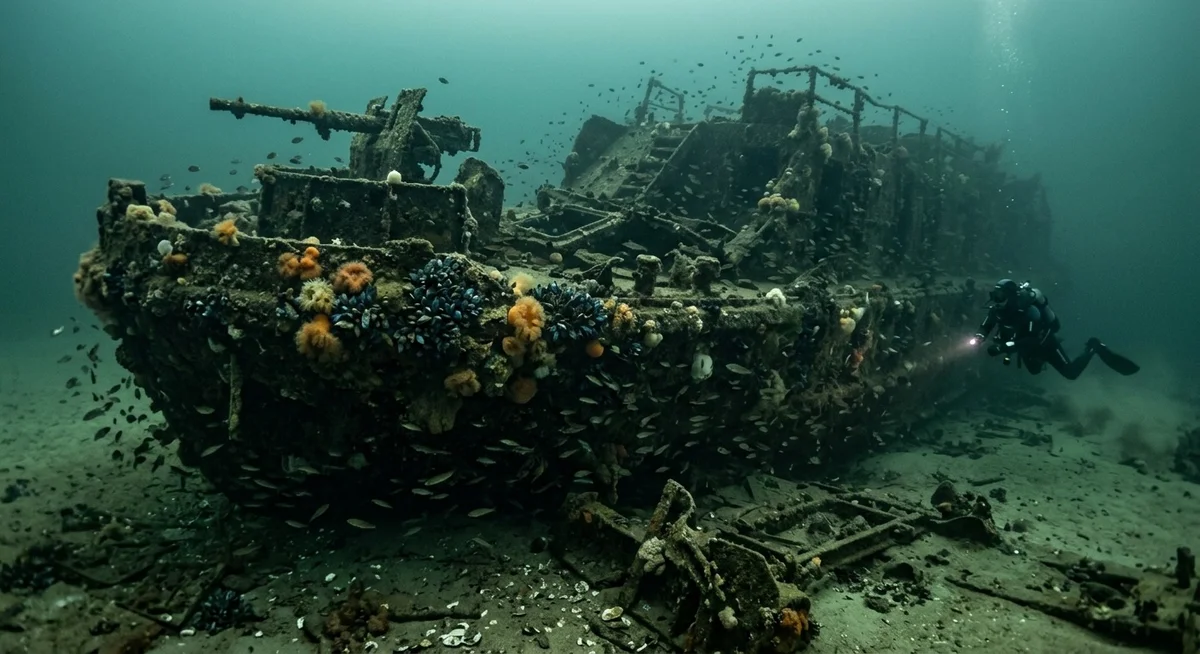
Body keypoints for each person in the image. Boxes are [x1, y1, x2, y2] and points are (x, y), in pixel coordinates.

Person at [973, 279, 1139, 379]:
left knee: (1071, 373)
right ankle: (1048, 358)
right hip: (1023, 348)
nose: (996, 299)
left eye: (1000, 295)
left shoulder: (1028, 311)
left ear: (1009, 296)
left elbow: (1033, 339)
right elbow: (987, 325)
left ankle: (1093, 346)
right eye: (995, 295)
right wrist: (980, 337)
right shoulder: (997, 310)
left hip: (1045, 345)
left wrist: (1003, 347)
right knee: (1034, 371)